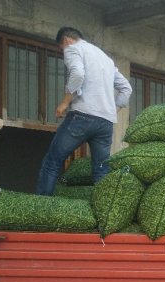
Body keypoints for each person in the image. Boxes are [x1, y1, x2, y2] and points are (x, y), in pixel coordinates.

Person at [36, 27, 133, 195]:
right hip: (105, 123)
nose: (63, 51)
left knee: (52, 161)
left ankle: (40, 208)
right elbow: (126, 89)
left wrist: (65, 102)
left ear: (66, 40)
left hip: (82, 117)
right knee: (101, 170)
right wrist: (112, 110)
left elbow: (78, 74)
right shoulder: (106, 59)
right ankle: (104, 213)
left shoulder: (73, 49)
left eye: (61, 48)